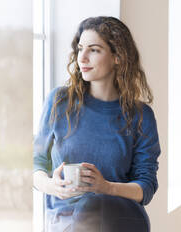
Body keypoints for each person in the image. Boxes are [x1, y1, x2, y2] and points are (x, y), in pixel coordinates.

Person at [33, 16, 161, 232]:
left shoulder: (141, 116)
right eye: (80, 48)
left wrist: (106, 187)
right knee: (88, 209)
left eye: (93, 50)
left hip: (119, 221)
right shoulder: (59, 102)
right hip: (65, 222)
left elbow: (146, 187)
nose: (82, 57)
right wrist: (53, 187)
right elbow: (36, 164)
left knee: (95, 206)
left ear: (117, 57)